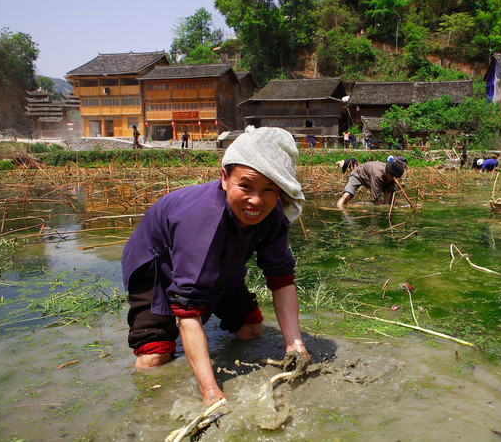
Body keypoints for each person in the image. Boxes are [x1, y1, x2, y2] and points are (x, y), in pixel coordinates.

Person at [122, 126, 310, 406]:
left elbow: (281, 279)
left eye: (269, 190)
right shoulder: (202, 219)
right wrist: (210, 392)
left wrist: (295, 346)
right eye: (245, 186)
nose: (256, 201)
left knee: (250, 330)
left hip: (223, 264)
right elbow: (187, 309)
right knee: (154, 356)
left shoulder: (273, 216)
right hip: (157, 266)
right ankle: (152, 407)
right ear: (224, 178)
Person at [336, 160, 405, 208]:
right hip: (358, 175)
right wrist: (378, 207)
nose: (393, 179)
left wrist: (386, 205)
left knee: (390, 197)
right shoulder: (377, 174)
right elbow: (376, 197)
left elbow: (388, 190)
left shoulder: (392, 175)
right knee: (347, 194)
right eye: (391, 177)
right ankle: (339, 208)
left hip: (372, 177)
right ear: (388, 174)